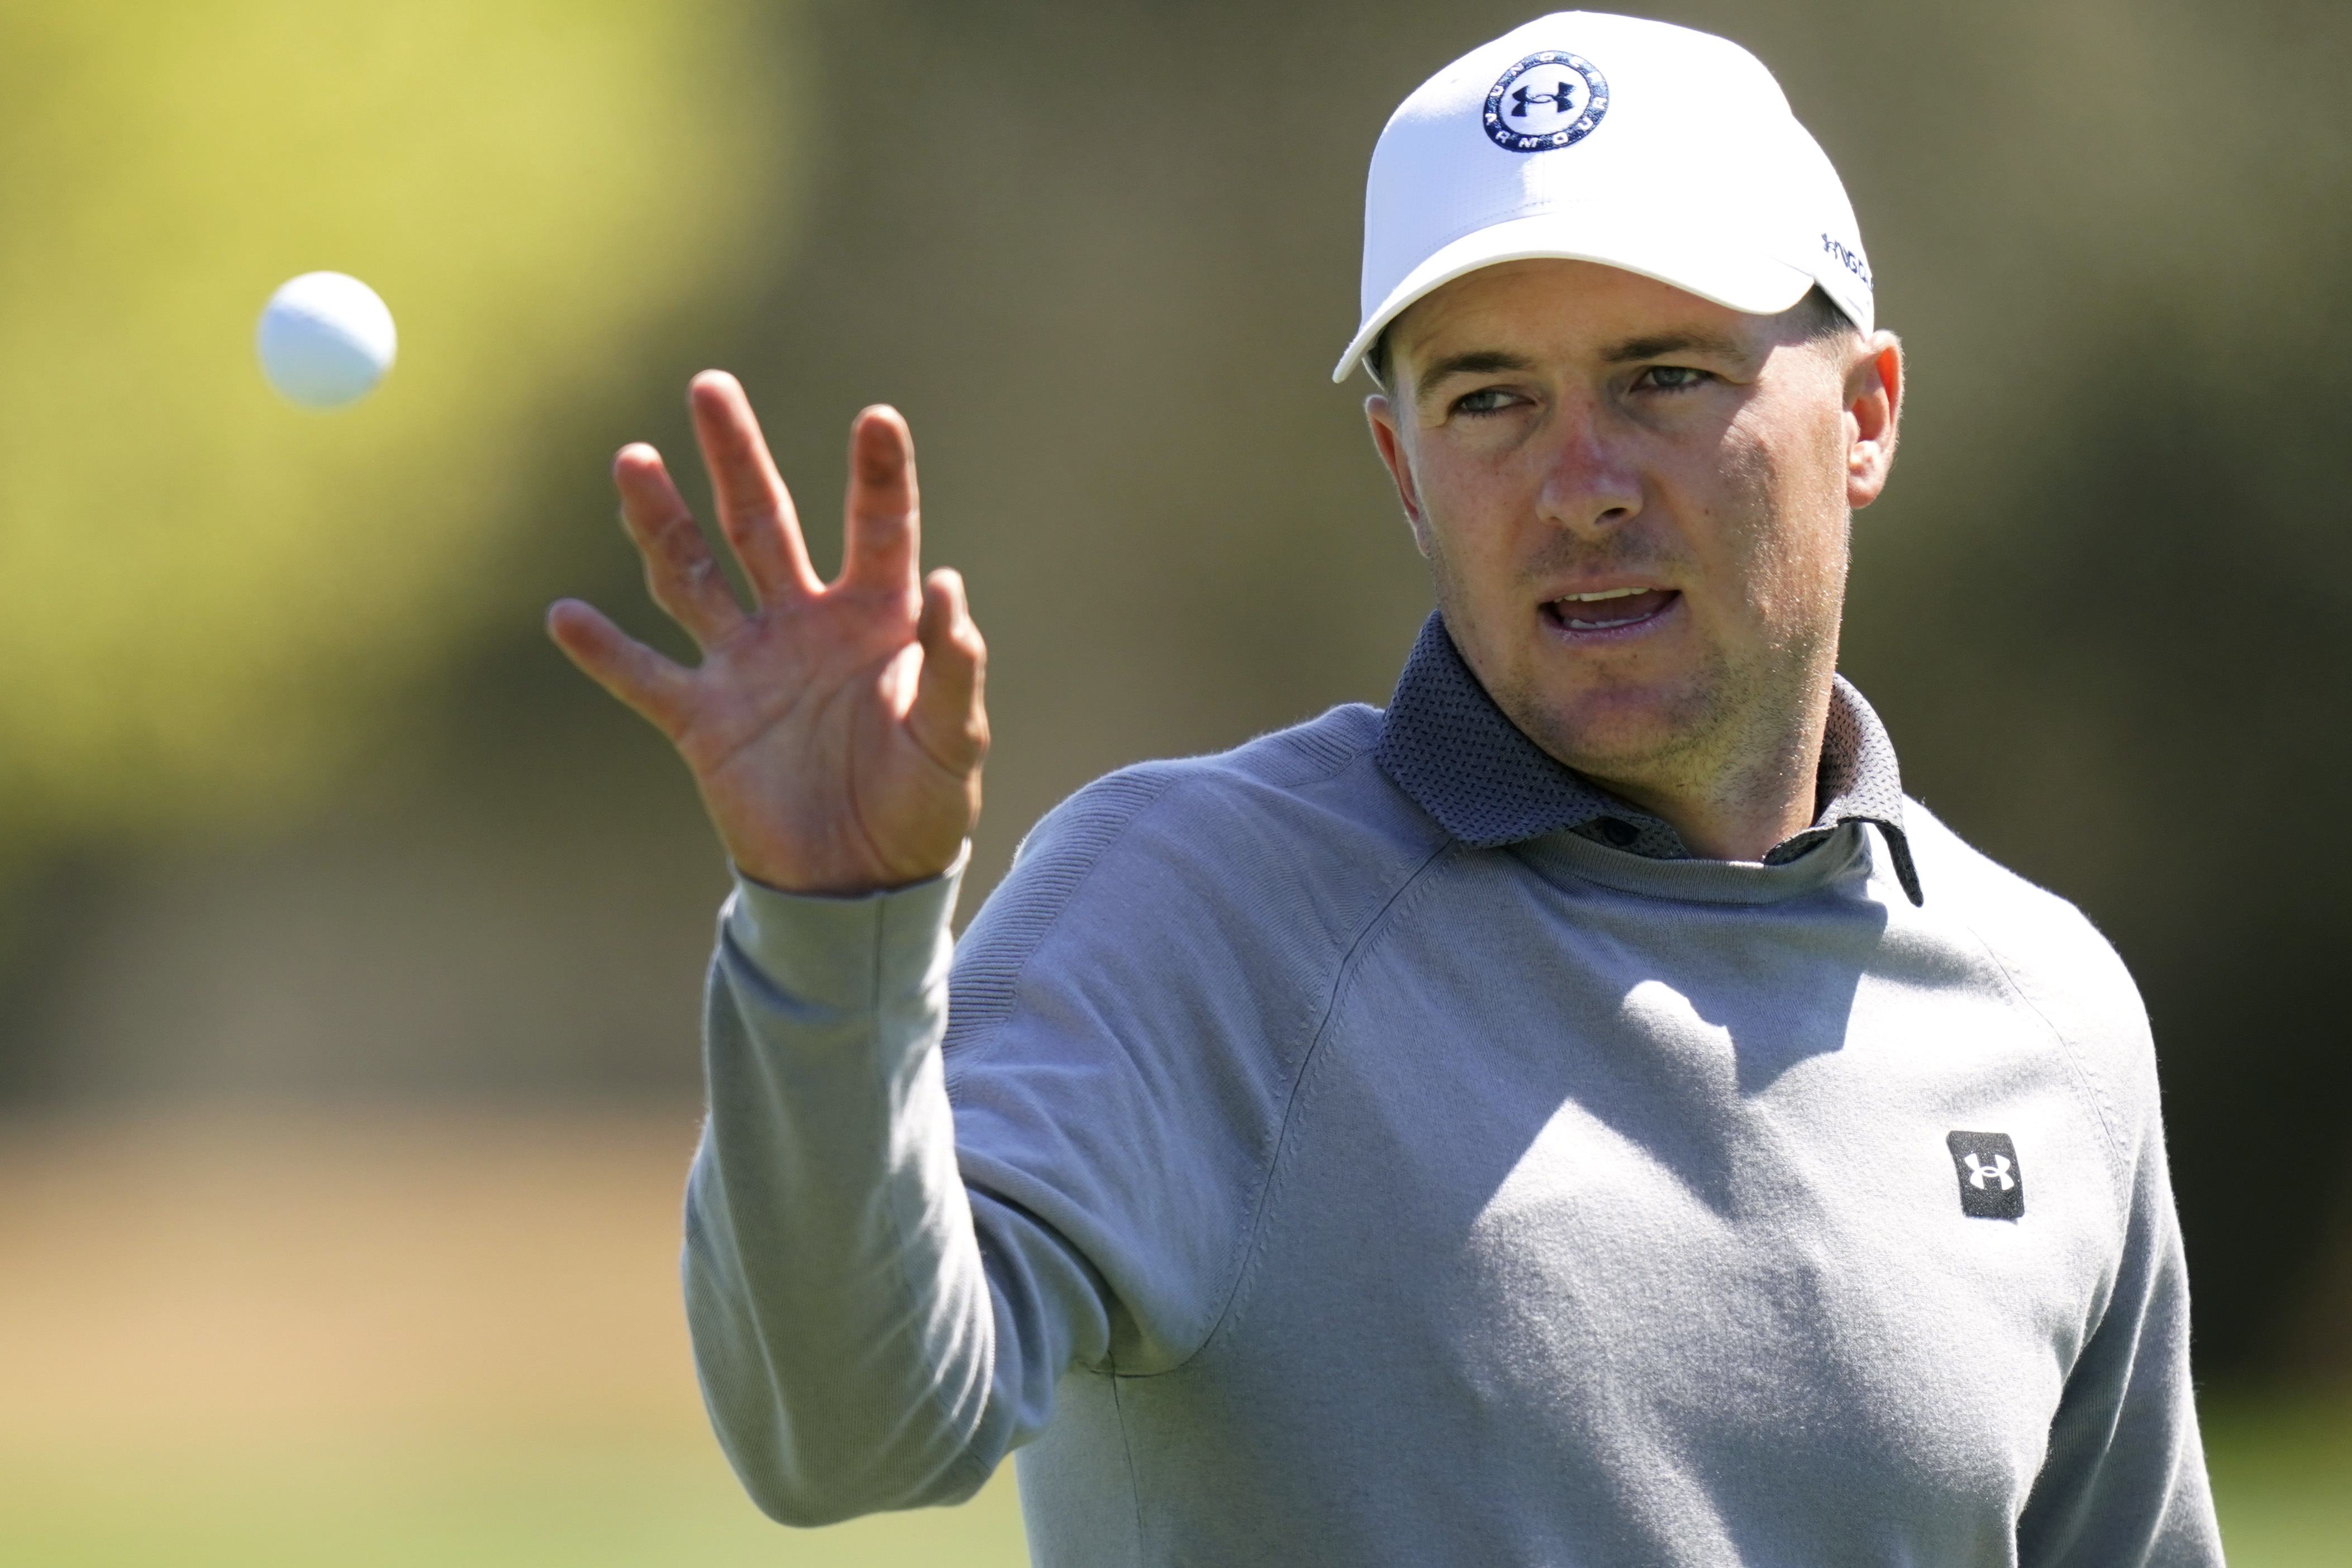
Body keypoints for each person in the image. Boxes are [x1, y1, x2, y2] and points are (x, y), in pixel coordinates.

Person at [547, 12, 2221, 1565]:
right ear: (1399, 468)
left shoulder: (2046, 1013)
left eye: (1662, 376)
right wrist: (831, 935)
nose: (1578, 486)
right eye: (1488, 399)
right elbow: (836, 1437)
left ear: (1861, 415)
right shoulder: (1193, 904)